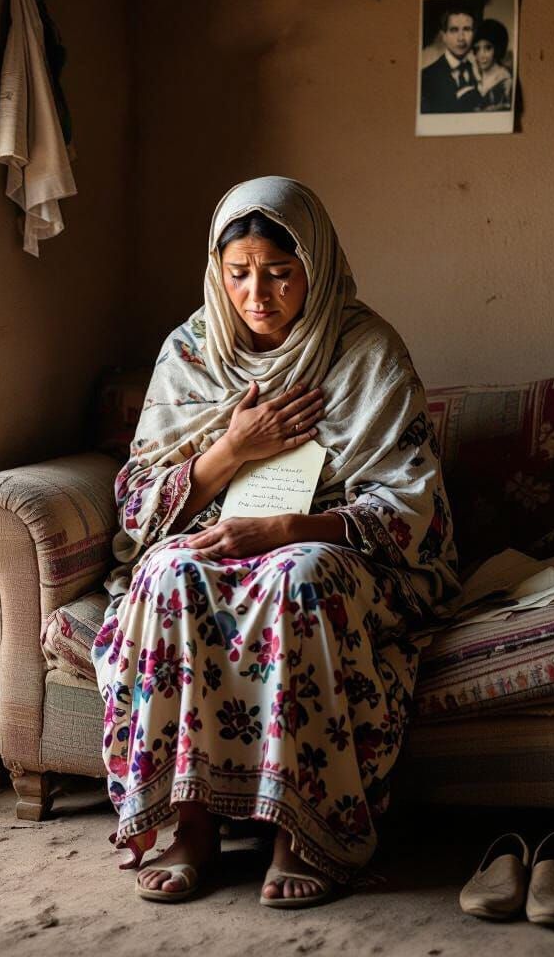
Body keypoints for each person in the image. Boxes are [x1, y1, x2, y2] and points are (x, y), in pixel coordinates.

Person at [92, 176, 459, 908]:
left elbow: (413, 508)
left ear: (315, 269)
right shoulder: (191, 350)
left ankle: (304, 830)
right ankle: (190, 824)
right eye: (238, 275)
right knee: (168, 573)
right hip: (214, 530)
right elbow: (138, 505)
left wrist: (287, 527)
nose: (257, 294)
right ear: (216, 272)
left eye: (281, 274)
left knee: (299, 574)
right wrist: (233, 449)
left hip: (335, 546)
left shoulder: (366, 351)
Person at [420, 8, 483, 113]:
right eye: (454, 30)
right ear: (444, 36)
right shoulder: (426, 77)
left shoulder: (480, 70)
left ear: (474, 33)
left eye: (467, 29)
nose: (461, 38)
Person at [472, 18, 512, 111]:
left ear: (497, 49)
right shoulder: (474, 76)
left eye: (488, 48)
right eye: (477, 49)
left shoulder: (505, 81)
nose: (481, 55)